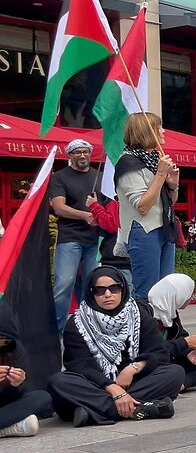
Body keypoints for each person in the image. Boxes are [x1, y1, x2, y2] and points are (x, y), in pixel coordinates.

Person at [46, 266, 184, 426]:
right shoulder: (77, 322)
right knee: (58, 382)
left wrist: (133, 368)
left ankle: (94, 412)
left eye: (114, 288)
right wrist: (112, 388)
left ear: (123, 288)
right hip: (96, 385)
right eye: (100, 290)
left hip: (133, 381)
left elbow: (159, 353)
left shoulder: (139, 315)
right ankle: (136, 409)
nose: (108, 294)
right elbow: (80, 365)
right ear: (91, 293)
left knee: (174, 373)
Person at [116, 112, 180, 299]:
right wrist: (160, 175)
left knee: (165, 290)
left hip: (164, 228)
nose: (163, 131)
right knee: (147, 292)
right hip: (143, 231)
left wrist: (173, 185)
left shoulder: (152, 161)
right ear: (146, 132)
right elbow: (143, 206)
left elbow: (168, 203)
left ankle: (163, 328)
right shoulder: (128, 163)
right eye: (158, 127)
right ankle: (144, 327)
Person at [50, 139, 101, 331]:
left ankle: (88, 330)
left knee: (91, 287)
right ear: (69, 155)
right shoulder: (60, 177)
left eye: (86, 151)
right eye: (77, 152)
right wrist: (86, 215)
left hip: (95, 240)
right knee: (64, 284)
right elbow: (59, 207)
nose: (82, 155)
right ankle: (55, 332)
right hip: (70, 238)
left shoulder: (99, 176)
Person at [147, 274, 196, 392]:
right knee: (175, 370)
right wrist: (185, 343)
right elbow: (152, 350)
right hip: (152, 364)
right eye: (189, 294)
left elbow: (181, 336)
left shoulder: (171, 313)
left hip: (170, 360)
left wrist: (189, 352)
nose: (190, 298)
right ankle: (183, 383)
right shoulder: (146, 315)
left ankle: (181, 384)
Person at [0, 302, 53, 438]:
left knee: (42, 398)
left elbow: (13, 397)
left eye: (3, 340)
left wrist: (15, 385)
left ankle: (5, 427)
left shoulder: (14, 350)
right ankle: (9, 427)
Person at [87, 192, 134, 291]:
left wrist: (94, 206)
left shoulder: (114, 199)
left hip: (117, 259)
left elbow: (112, 224)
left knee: (119, 291)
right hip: (129, 255)